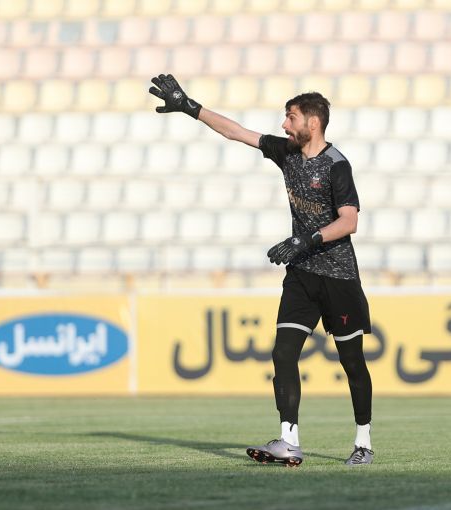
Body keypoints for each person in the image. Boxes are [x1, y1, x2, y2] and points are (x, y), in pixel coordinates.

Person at [149, 74, 374, 467]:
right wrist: (190, 107)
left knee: (352, 362)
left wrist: (307, 239)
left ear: (313, 123)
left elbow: (349, 221)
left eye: (291, 117)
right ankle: (289, 441)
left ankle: (363, 442)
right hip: (301, 275)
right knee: (283, 353)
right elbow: (236, 132)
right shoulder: (287, 153)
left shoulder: (337, 165)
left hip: (338, 277)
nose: (284, 125)